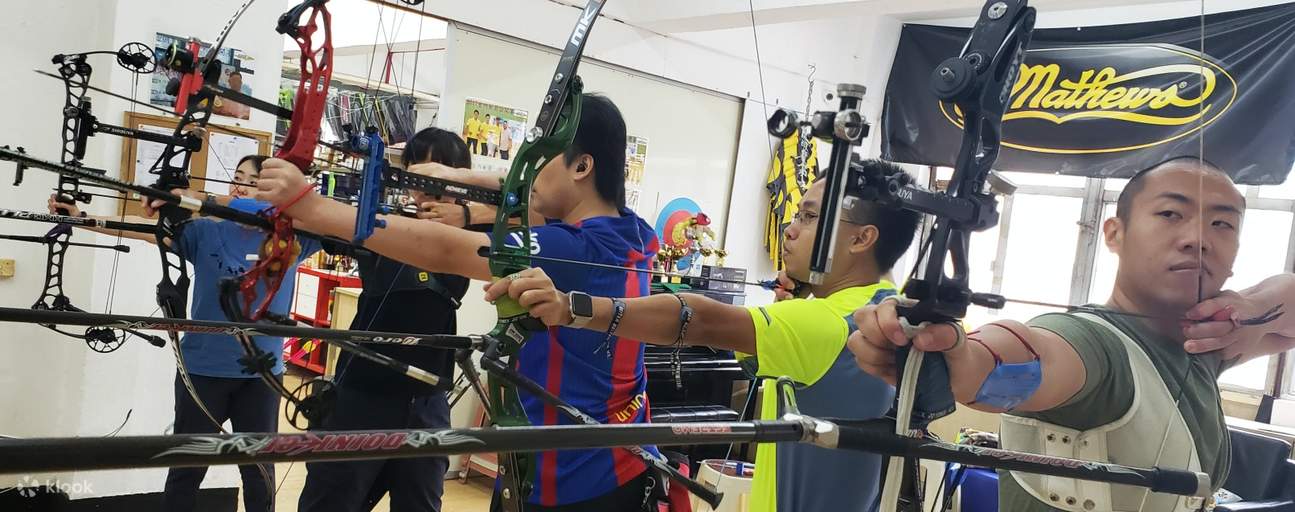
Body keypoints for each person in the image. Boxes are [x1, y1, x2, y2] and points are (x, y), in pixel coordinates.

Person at [253, 94, 663, 511]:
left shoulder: (573, 247)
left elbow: (449, 251)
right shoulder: (633, 233)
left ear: (581, 166)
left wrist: (314, 207)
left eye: (539, 159)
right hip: (596, 462)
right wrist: (452, 177)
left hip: (577, 479)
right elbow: (517, 190)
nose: (526, 172)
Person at [847, 156, 1295, 511]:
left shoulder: (1207, 344)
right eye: (1170, 214)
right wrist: (955, 358)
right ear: (1115, 233)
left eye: (1223, 223)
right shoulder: (1089, 345)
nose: (1197, 238)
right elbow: (1019, 356)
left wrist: (1254, 305)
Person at [482, 160, 925, 512]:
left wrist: (569, 307)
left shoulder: (833, 323)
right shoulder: (885, 308)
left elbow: (700, 320)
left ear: (862, 238)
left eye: (809, 218)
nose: (790, 229)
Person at [51, 155, 320, 512]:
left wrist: (272, 201)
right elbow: (146, 229)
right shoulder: (207, 230)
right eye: (236, 178)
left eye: (251, 181)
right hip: (205, 371)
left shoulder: (293, 237)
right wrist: (85, 220)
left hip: (261, 376)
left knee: (258, 472)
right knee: (186, 469)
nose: (238, 185)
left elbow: (333, 224)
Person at [297, 128, 476, 512]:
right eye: (419, 171)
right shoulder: (382, 224)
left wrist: (468, 211)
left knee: (420, 502)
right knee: (332, 500)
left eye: (442, 169)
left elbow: (534, 213)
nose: (429, 182)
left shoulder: (473, 232)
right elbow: (315, 224)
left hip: (427, 398)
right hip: (362, 392)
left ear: (463, 176)